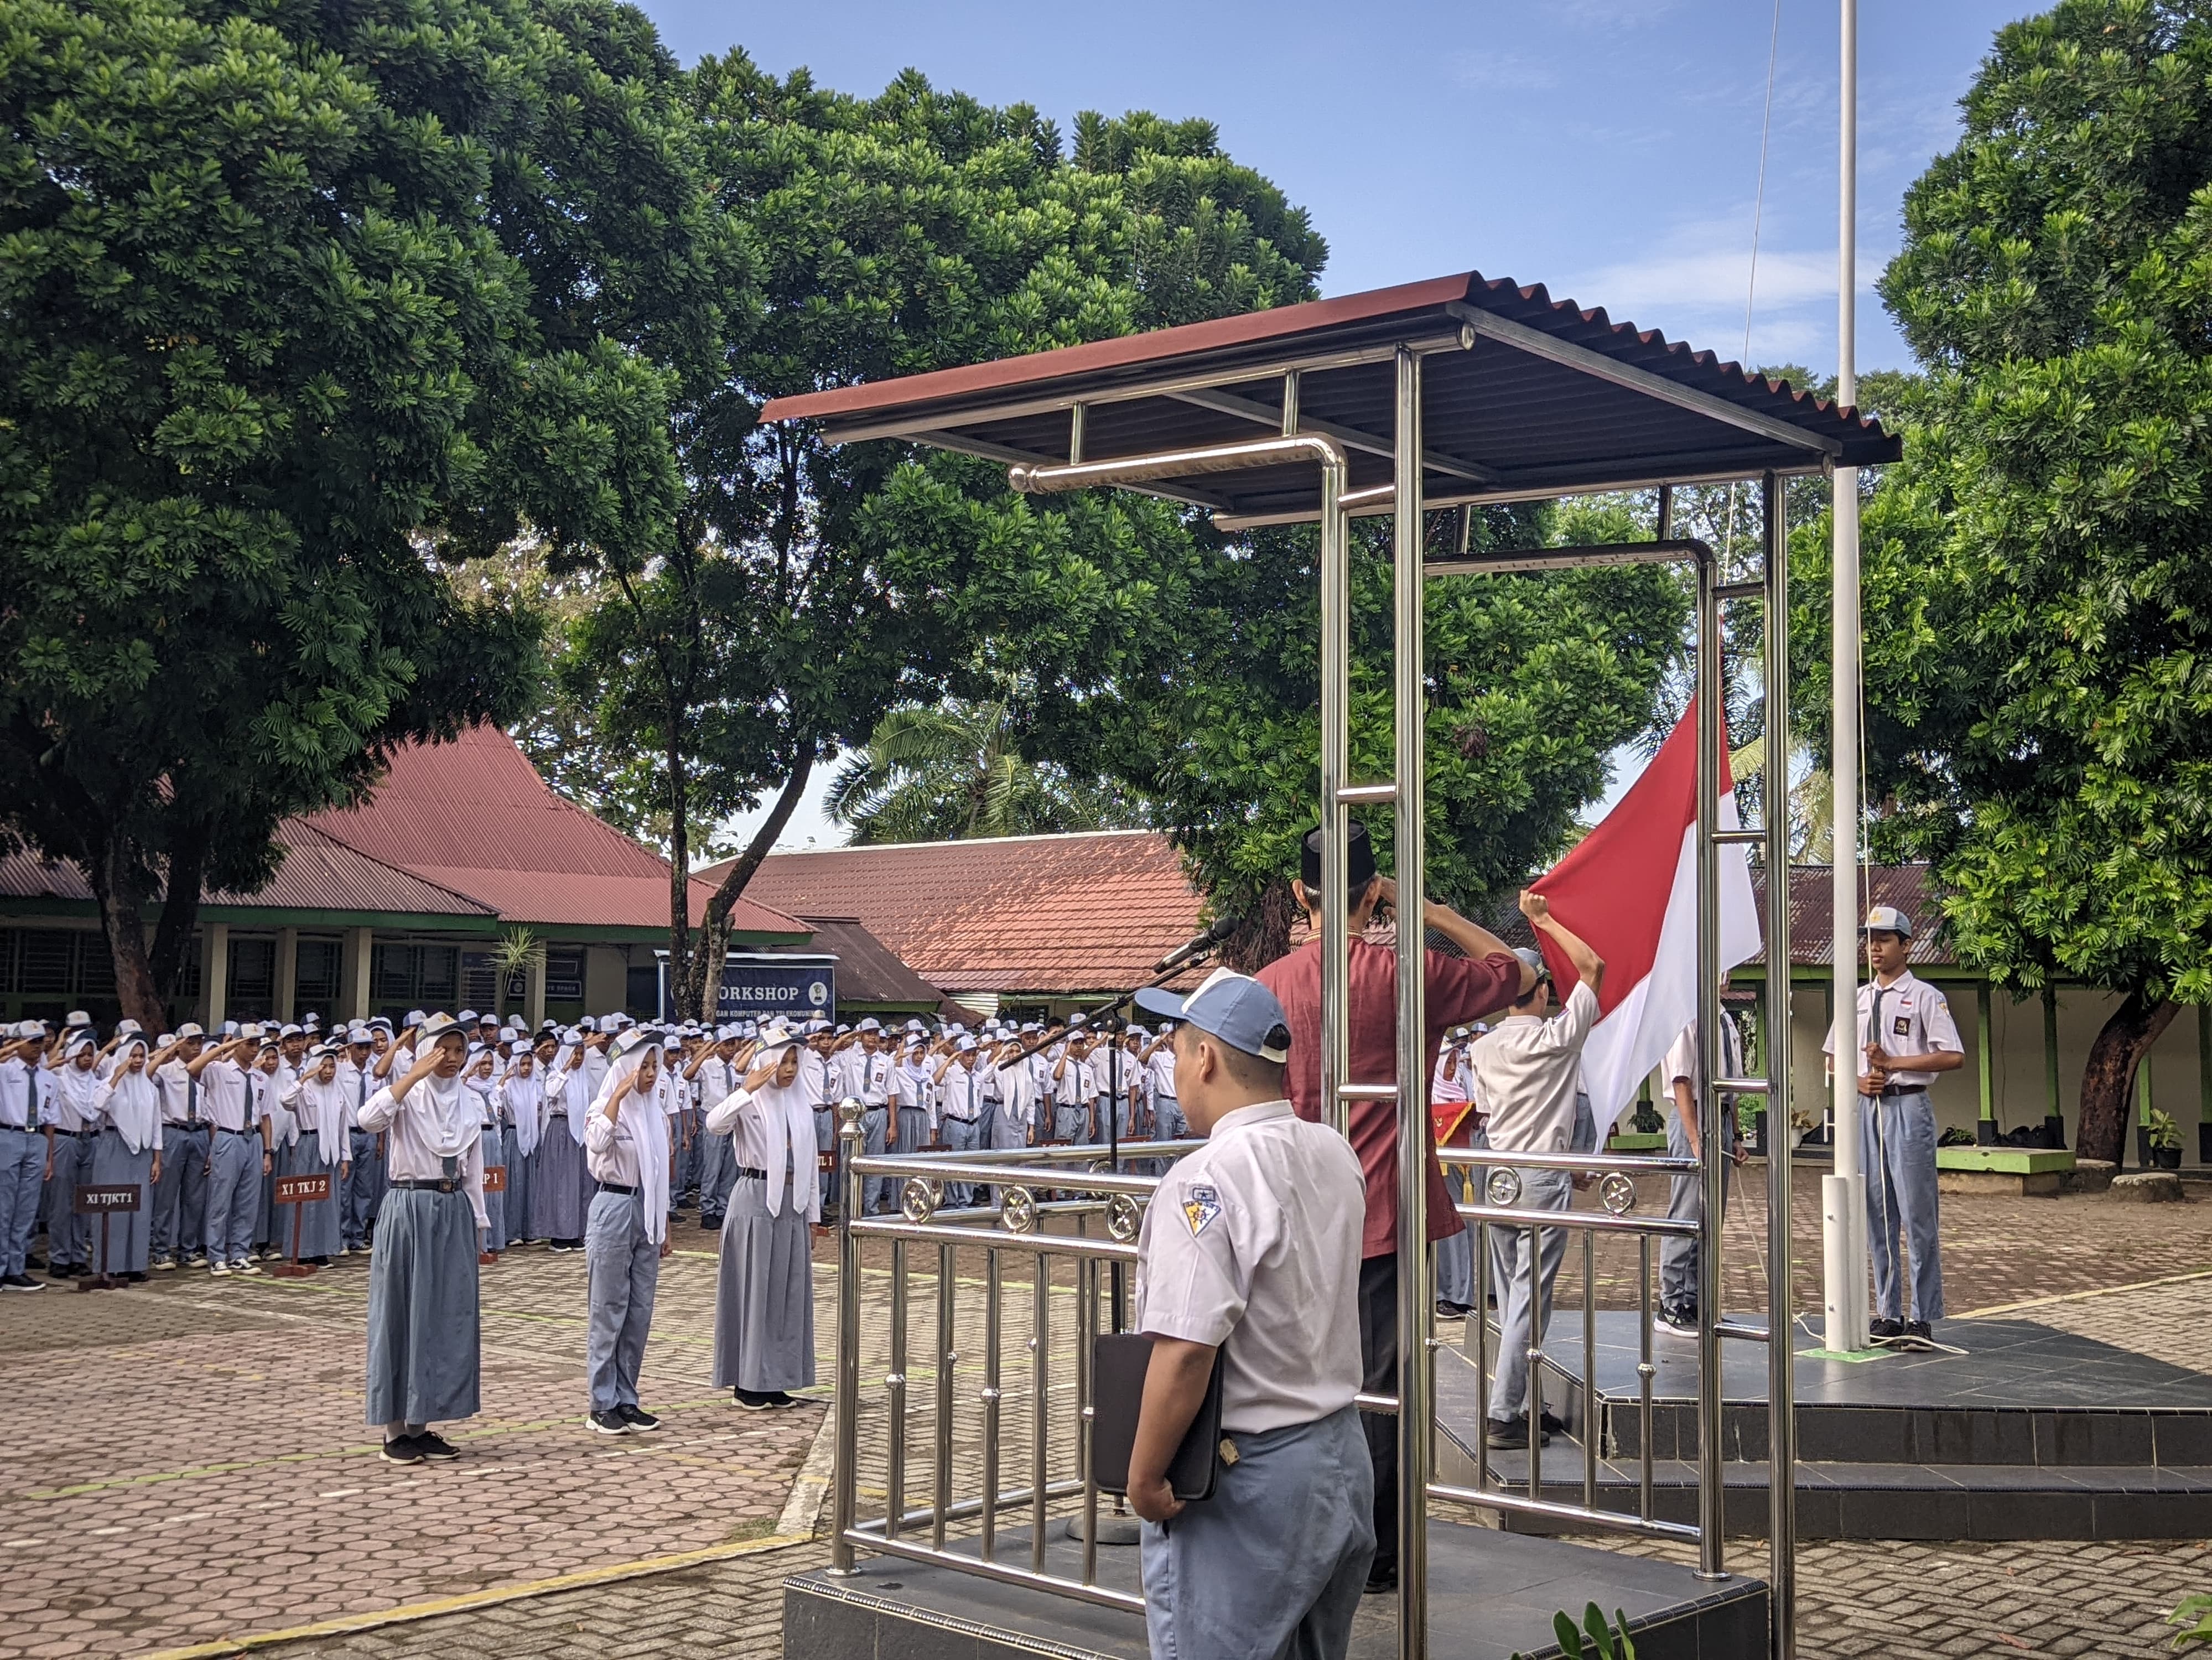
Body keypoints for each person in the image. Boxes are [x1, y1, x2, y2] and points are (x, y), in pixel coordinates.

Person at [1254, 819, 1531, 1592]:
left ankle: (1302, 1536)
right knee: (1379, 1390)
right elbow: (1510, 971)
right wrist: (1433, 913)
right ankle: (1377, 1553)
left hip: (1294, 1215)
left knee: (1296, 1383)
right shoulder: (1409, 974)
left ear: (1296, 893)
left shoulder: (1268, 987)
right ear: (1374, 892)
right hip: (1382, 1210)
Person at [1125, 967, 1372, 1660]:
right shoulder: (1333, 1150)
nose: (1174, 1070)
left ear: (1204, 1058)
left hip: (1250, 1475)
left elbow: (1186, 1349)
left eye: (1176, 1051)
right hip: (1336, 1455)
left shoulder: (1205, 1177)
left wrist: (1143, 1476)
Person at [1468, 894, 1605, 1450]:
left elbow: (1481, 1114)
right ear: (1543, 990)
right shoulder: (1556, 1038)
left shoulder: (1482, 1048)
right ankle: (1503, 1413)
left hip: (1497, 1171)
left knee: (1512, 1295)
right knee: (1529, 1297)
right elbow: (1593, 967)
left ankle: (1522, 1403)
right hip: (1541, 1173)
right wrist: (1545, 920)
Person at [1823, 906, 1963, 1342]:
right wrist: (1857, 1081)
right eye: (1870, 939)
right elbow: (1832, 1057)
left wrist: (1894, 1063)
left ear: (1906, 944)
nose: (1875, 948)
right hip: (1869, 1108)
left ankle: (1922, 1315)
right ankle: (1887, 1310)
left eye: (1885, 939)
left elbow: (1952, 1054)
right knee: (1877, 1211)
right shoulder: (1859, 998)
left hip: (1908, 1106)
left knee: (1918, 1213)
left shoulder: (1924, 996)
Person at [359, 1013, 487, 1464]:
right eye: (442, 1050)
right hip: (409, 1206)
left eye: (458, 1051)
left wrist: (478, 1222)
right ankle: (396, 1432)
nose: (450, 1059)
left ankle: (423, 1422)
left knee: (442, 1315)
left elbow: (473, 1166)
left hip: (452, 1210)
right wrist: (411, 1075)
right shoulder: (407, 1096)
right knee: (403, 1312)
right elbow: (368, 1119)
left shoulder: (471, 1102)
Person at [705, 1022, 818, 1410]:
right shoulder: (750, 1100)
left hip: (792, 1203)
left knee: (786, 1294)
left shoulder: (799, 1103)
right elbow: (714, 1124)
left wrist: (814, 1215)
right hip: (754, 1197)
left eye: (793, 1061)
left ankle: (775, 1379)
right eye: (782, 1061)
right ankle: (747, 1382)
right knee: (753, 1291)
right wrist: (747, 1088)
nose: (788, 1069)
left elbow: (810, 1164)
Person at [580, 1027, 671, 1434]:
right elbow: (597, 1144)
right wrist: (617, 1096)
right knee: (608, 1308)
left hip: (646, 1211)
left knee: (638, 1312)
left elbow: (660, 1169)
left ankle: (627, 1397)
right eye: (643, 1067)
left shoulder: (654, 1112)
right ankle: (602, 1402)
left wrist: (663, 1219)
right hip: (614, 1204)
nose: (650, 1075)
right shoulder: (603, 1106)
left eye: (654, 1066)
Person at [1657, 998, 1747, 1335]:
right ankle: (1673, 1303)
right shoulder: (1687, 1014)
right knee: (1686, 1210)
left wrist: (1736, 1135)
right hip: (1693, 1115)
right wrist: (1695, 1138)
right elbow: (1682, 1079)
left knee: (1711, 1214)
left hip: (1719, 1115)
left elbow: (1732, 1084)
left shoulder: (1722, 1015)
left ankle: (1697, 1299)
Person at [188, 1030, 272, 1277]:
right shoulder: (218, 1070)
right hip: (228, 1136)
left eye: (258, 1044)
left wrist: (267, 1151)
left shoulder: (260, 1077)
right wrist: (226, 1047)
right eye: (249, 1044)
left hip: (253, 1138)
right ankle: (216, 1255)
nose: (255, 1049)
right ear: (237, 1045)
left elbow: (265, 1117)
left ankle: (239, 1253)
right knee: (221, 1199)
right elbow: (193, 1069)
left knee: (248, 1201)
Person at [87, 1035, 161, 1281]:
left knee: (139, 1208)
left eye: (142, 1056)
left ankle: (136, 1264)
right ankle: (110, 1264)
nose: (138, 1061)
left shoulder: (149, 1087)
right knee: (113, 1205)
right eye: (133, 1056)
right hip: (113, 1145)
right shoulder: (109, 1082)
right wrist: (117, 1076)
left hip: (142, 1150)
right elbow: (96, 1105)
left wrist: (156, 1159)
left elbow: (156, 1125)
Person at [150, 1023, 211, 1270]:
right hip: (173, 1132)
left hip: (200, 1132)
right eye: (191, 1043)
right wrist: (168, 1051)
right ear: (179, 1045)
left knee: (194, 1197)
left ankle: (188, 1249)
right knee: (166, 1195)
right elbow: (146, 1073)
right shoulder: (166, 1070)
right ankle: (161, 1249)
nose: (196, 1048)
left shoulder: (207, 1071)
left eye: (199, 1043)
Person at [0, 1023, 46, 1290]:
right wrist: (12, 1049)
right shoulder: (5, 1071)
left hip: (36, 1137)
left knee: (26, 1209)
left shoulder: (47, 1077)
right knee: (4, 1207)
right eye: (32, 1042)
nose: (38, 1046)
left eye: (41, 1041)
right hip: (9, 1135)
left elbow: (51, 1118)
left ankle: (16, 1269)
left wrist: (48, 1153)